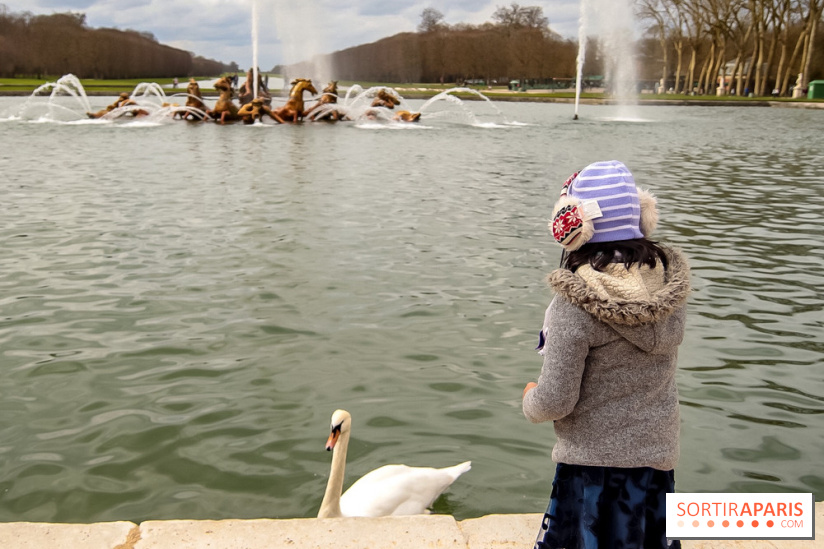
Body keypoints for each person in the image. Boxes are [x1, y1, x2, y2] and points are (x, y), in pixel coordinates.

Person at [522, 160, 691, 549]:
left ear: (571, 226)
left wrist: (531, 399)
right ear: (642, 216)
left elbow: (557, 399)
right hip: (655, 460)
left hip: (591, 470)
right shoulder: (668, 288)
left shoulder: (575, 303)